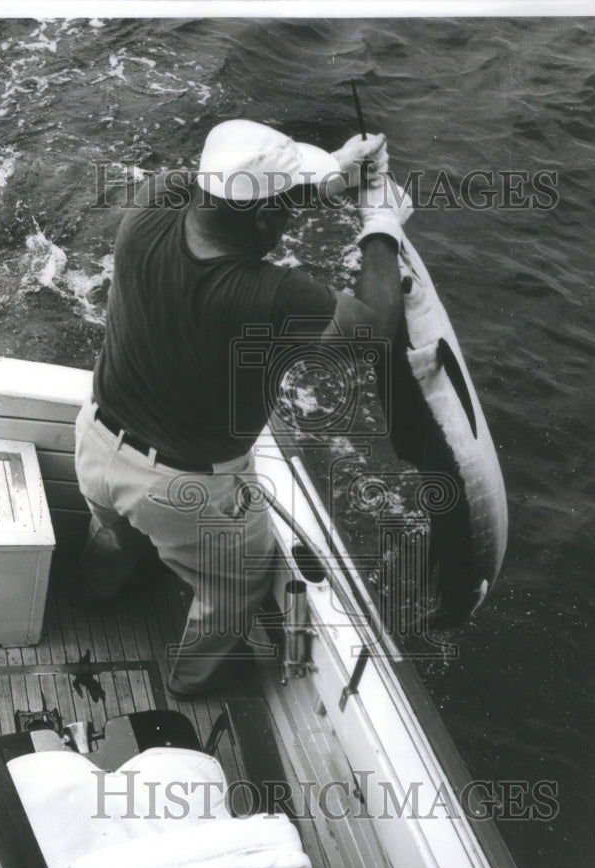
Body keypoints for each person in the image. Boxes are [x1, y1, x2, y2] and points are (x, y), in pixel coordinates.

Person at [73, 119, 408, 699]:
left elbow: (235, 195)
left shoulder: (153, 205)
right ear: (263, 218)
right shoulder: (274, 295)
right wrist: (381, 224)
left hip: (97, 440)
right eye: (284, 209)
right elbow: (375, 329)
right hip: (183, 492)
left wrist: (333, 170)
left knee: (111, 528)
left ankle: (93, 595)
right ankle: (189, 684)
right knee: (232, 592)